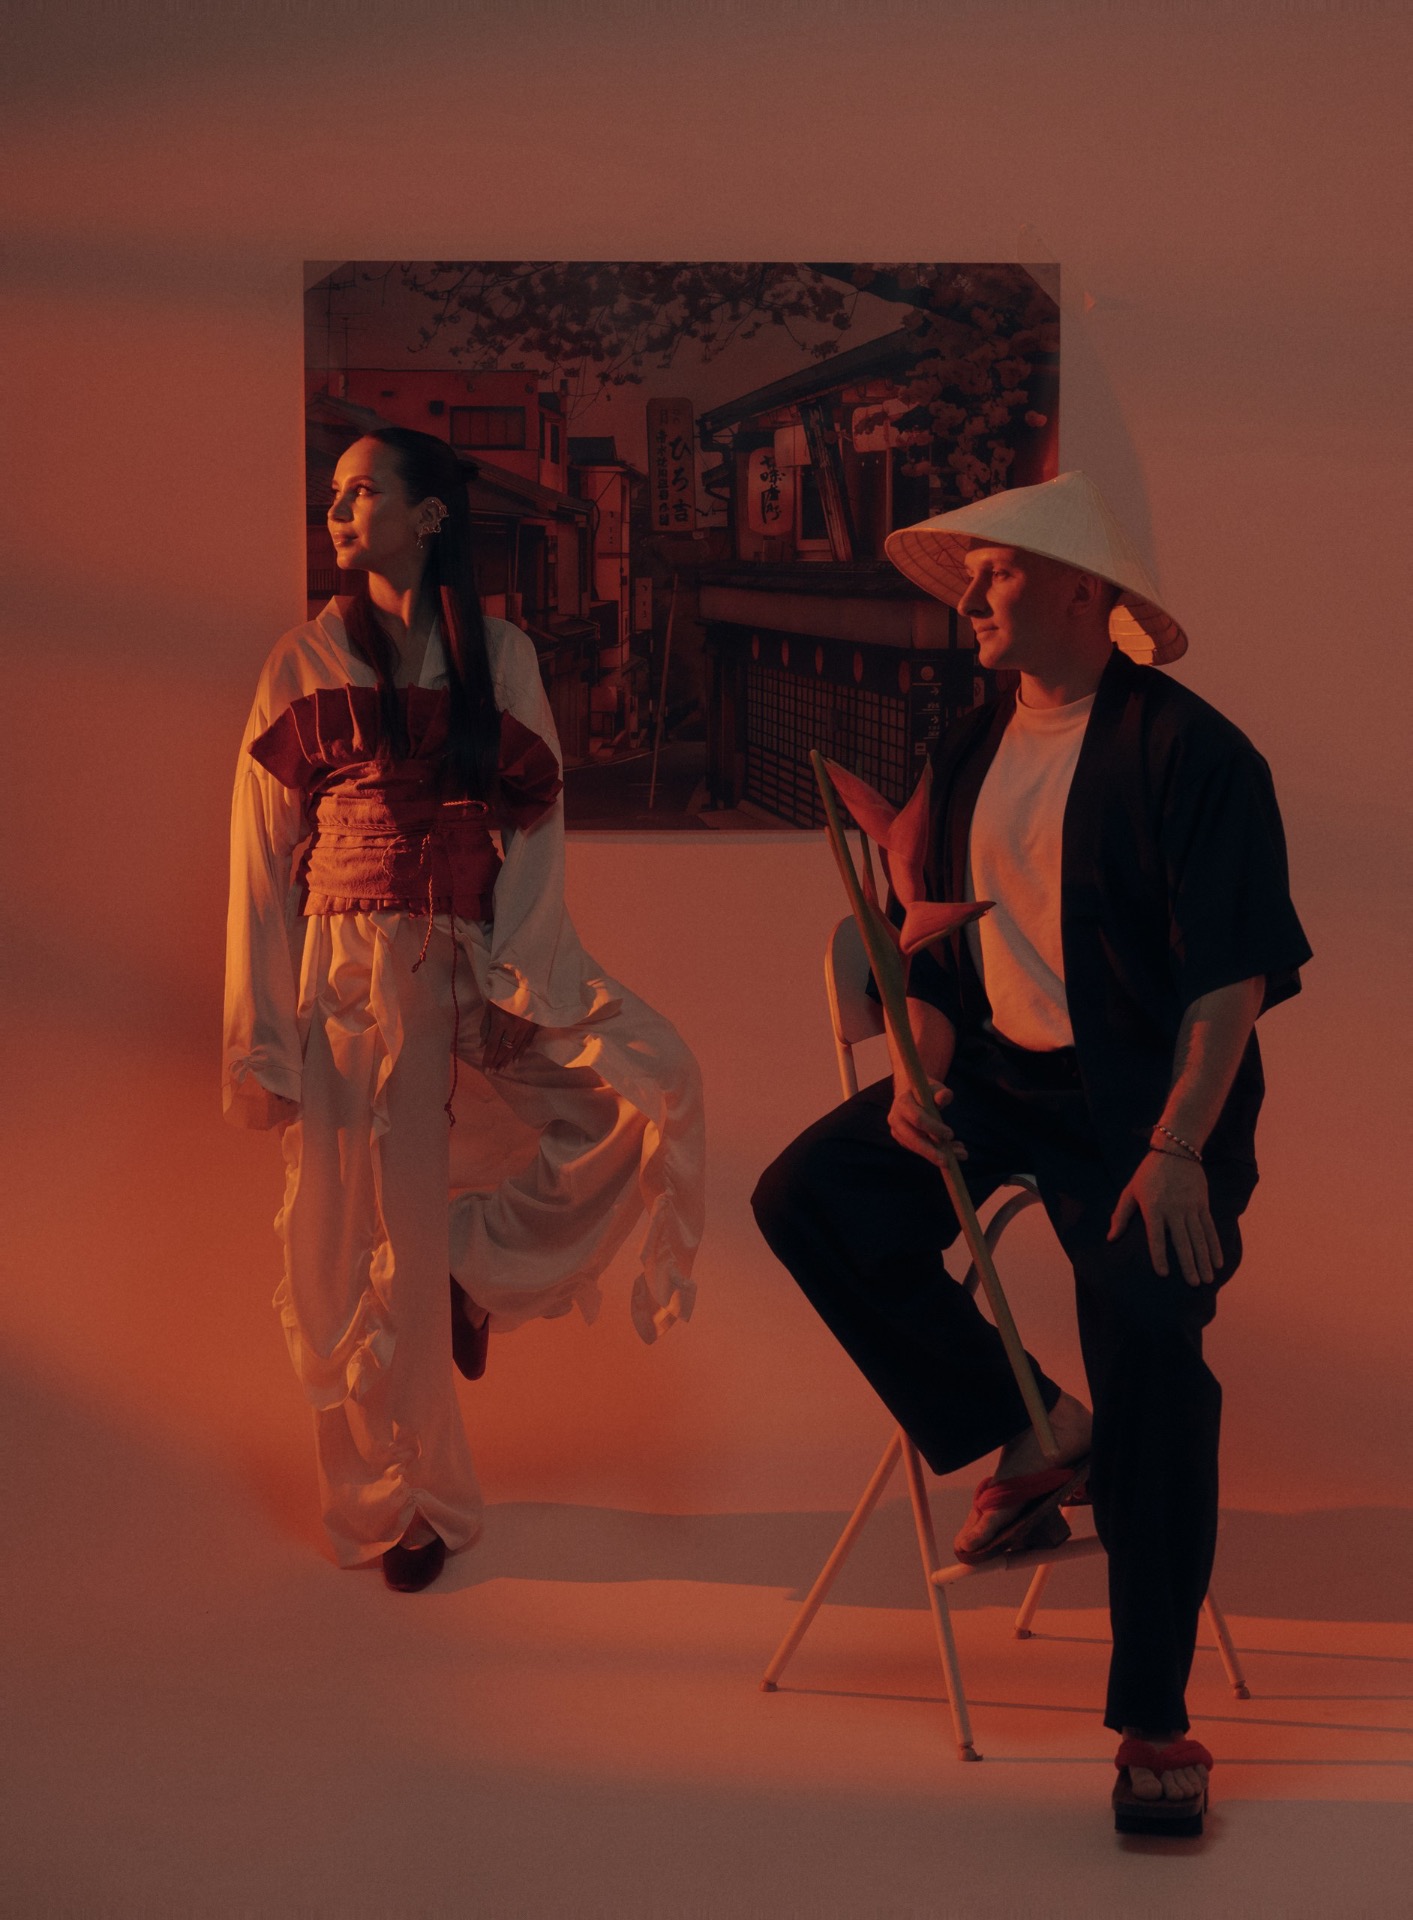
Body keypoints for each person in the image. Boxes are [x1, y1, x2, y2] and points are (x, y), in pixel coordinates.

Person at [751, 471, 1310, 1836]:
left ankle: (1153, 1715)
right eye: (973, 577)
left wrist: (1178, 1147)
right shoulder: (964, 750)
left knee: (1152, 1343)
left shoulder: (1194, 753)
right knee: (810, 1195)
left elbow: (1229, 980)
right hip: (998, 1082)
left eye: (997, 572)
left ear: (1081, 588)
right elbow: (938, 962)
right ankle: (1033, 1424)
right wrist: (917, 1075)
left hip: (1149, 1109)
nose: (973, 598)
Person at [224, 426, 704, 1593]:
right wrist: (262, 1041)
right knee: (354, 1240)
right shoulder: (303, 662)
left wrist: (518, 977)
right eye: (333, 495)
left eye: (361, 492)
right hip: (348, 980)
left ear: (429, 514)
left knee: (645, 1089)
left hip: (469, 959)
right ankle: (406, 1501)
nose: (338, 511)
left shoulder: (501, 654)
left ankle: (471, 1272)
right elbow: (258, 864)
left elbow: (535, 827)